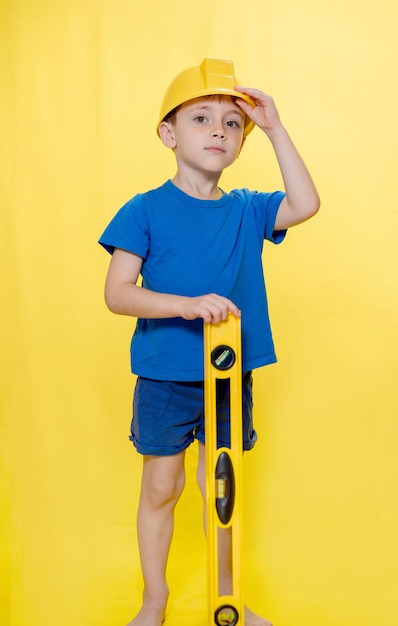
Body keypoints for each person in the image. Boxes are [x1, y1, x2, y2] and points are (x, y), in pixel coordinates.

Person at [99, 57, 320, 626]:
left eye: (232, 123)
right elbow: (119, 293)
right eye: (200, 118)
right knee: (162, 487)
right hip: (165, 377)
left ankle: (230, 599)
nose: (219, 131)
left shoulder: (249, 209)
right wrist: (186, 305)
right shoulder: (144, 209)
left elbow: (306, 204)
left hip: (228, 376)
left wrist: (273, 126)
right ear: (169, 135)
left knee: (221, 494)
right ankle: (154, 601)